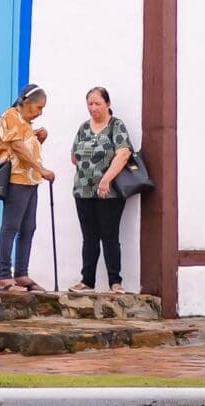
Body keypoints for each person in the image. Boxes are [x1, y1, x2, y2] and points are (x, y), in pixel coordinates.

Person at [70, 85, 134, 291]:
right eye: (90, 103)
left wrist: (105, 179)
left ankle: (115, 282)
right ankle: (87, 280)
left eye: (98, 103)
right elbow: (74, 156)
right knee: (89, 238)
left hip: (110, 192)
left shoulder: (116, 126)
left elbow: (123, 153)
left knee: (109, 235)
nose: (93, 107)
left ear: (108, 104)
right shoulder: (83, 128)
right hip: (83, 190)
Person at [0, 84, 54, 291]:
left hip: (30, 181)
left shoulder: (26, 123)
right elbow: (18, 149)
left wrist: (38, 138)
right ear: (26, 103)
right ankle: (4, 276)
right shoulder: (11, 116)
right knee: (11, 227)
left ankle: (21, 273)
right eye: (38, 108)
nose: (40, 112)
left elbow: (27, 147)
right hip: (16, 180)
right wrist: (42, 169)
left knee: (28, 228)